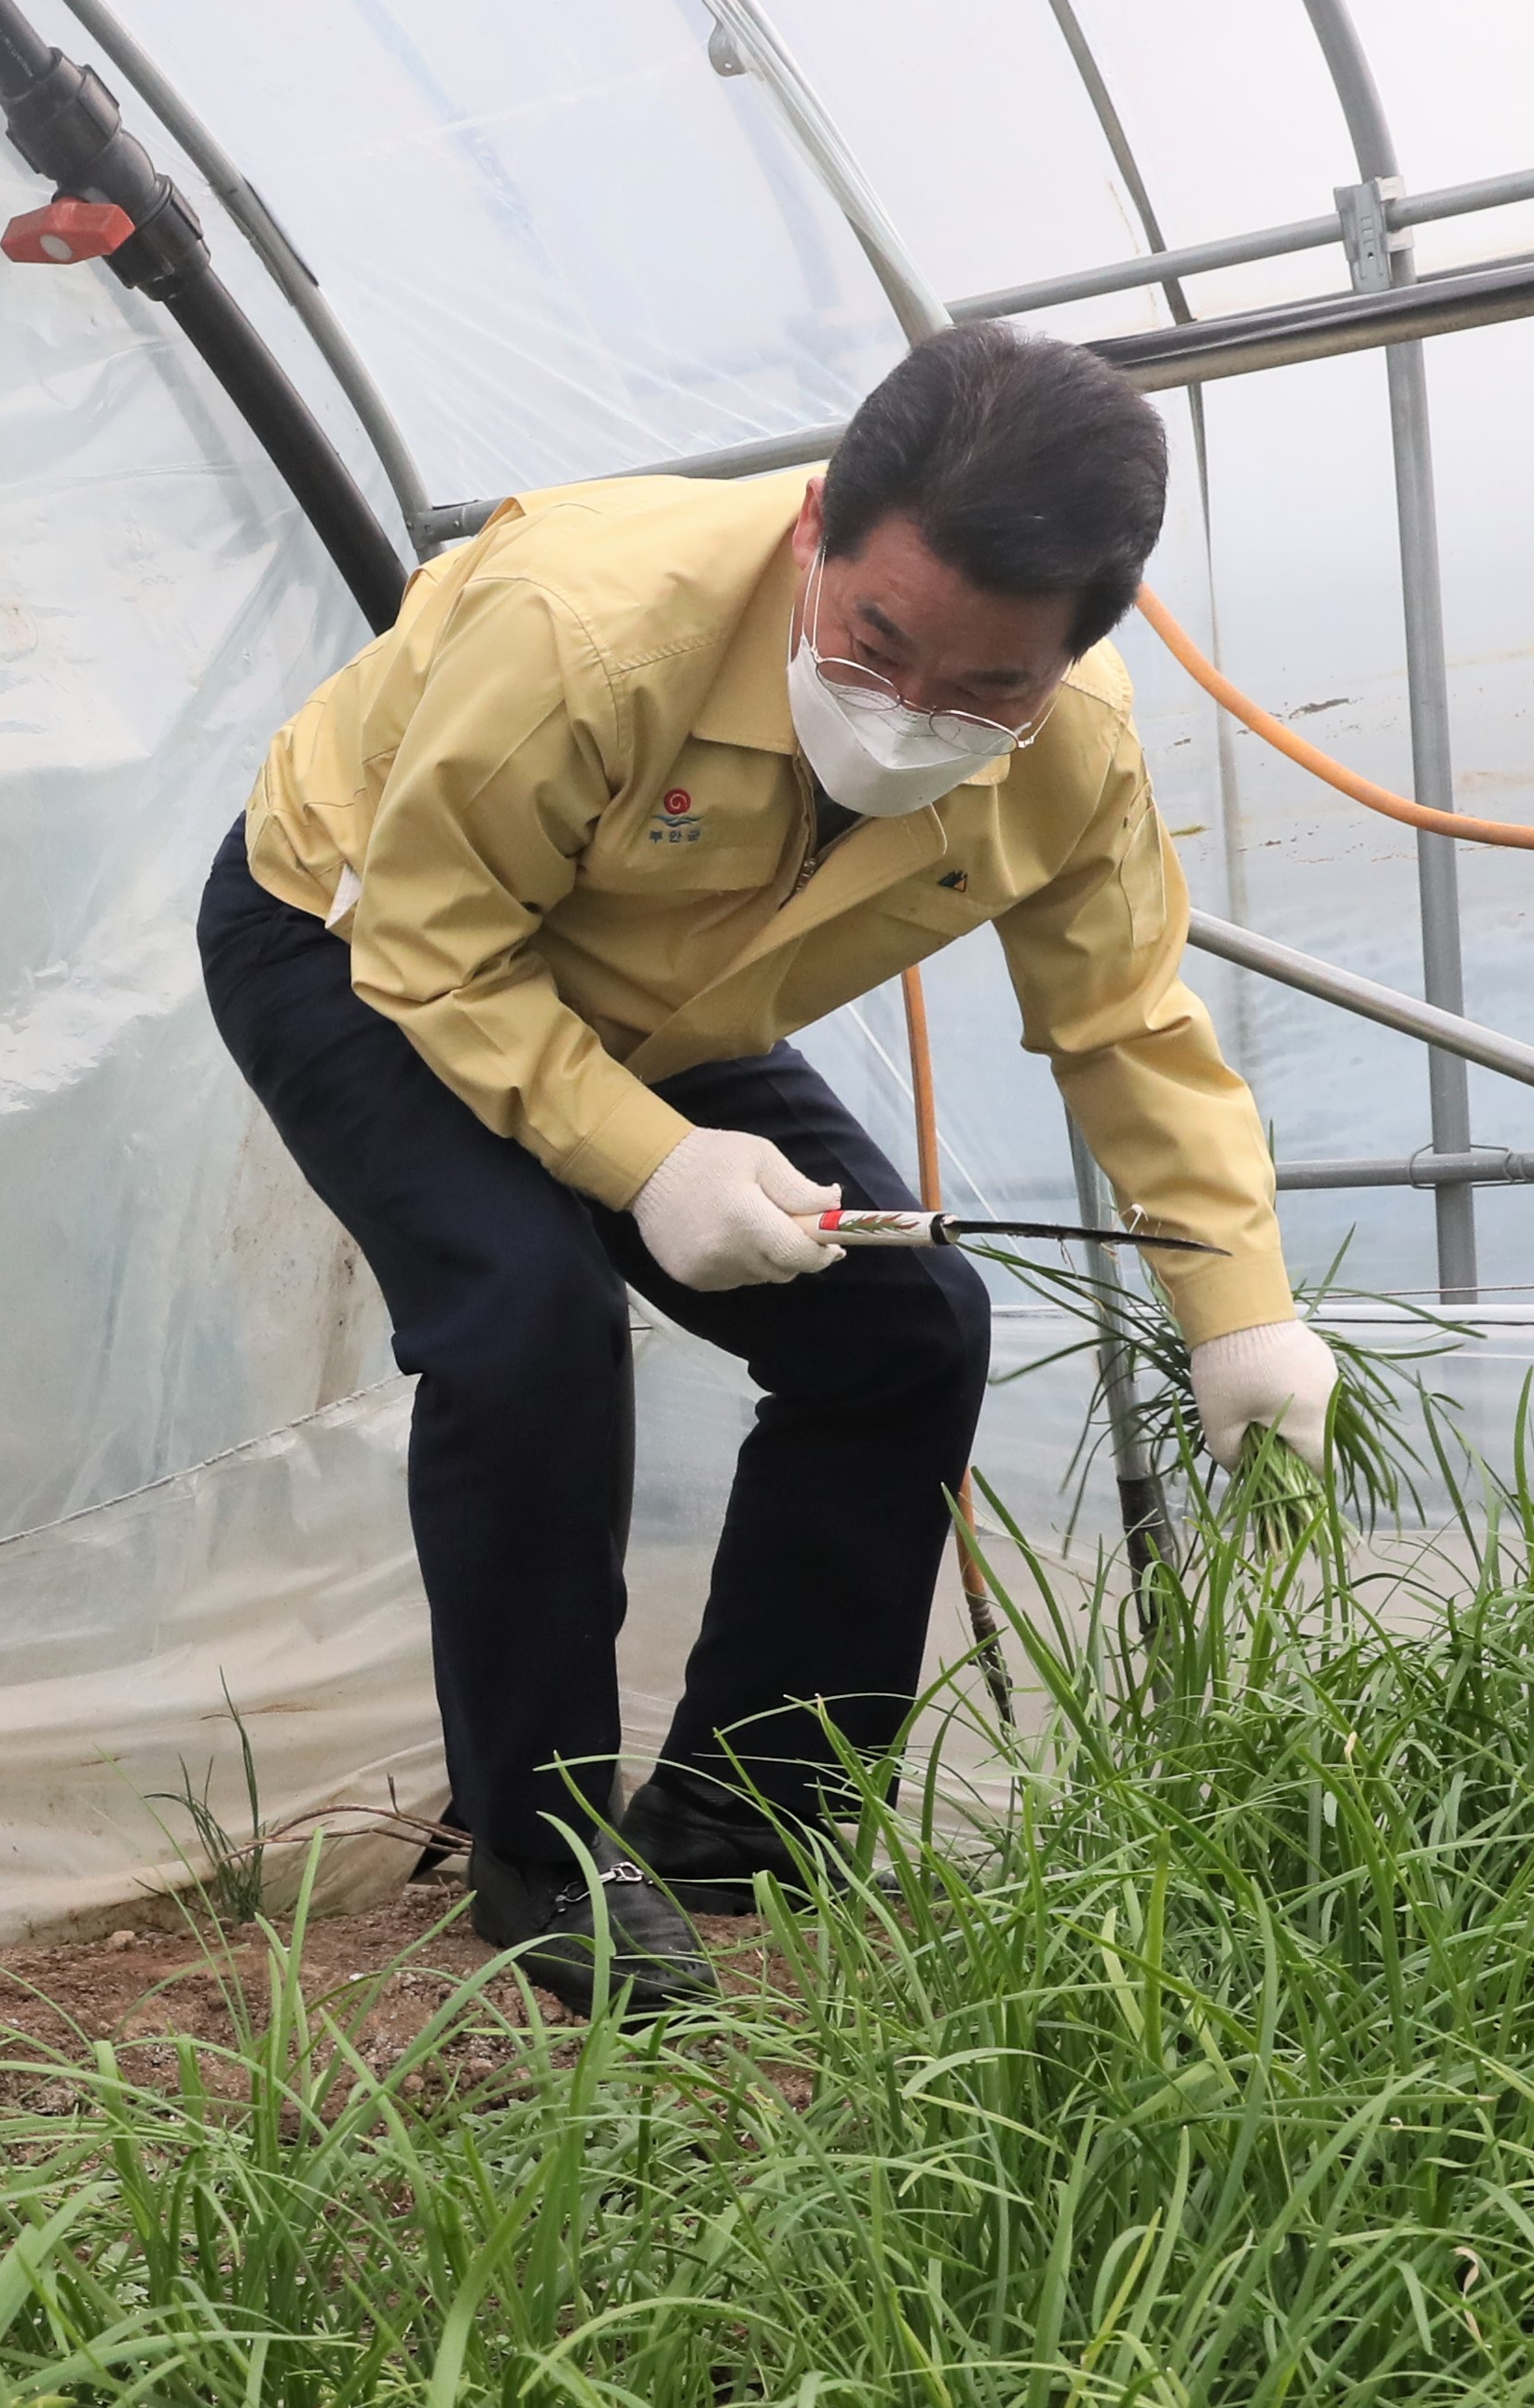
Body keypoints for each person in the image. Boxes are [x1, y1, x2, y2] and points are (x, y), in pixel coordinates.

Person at [204, 322, 1330, 2015]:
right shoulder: (587, 627)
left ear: (1073, 657)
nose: (915, 714)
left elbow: (1127, 1026)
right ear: (816, 531)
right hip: (358, 931)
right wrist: (649, 1163)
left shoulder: (1074, 750)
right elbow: (437, 950)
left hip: (672, 988)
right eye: (877, 647)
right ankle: (541, 1852)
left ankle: (754, 1823)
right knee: (526, 1318)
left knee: (906, 1328)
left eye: (987, 688)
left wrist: (1239, 1311)